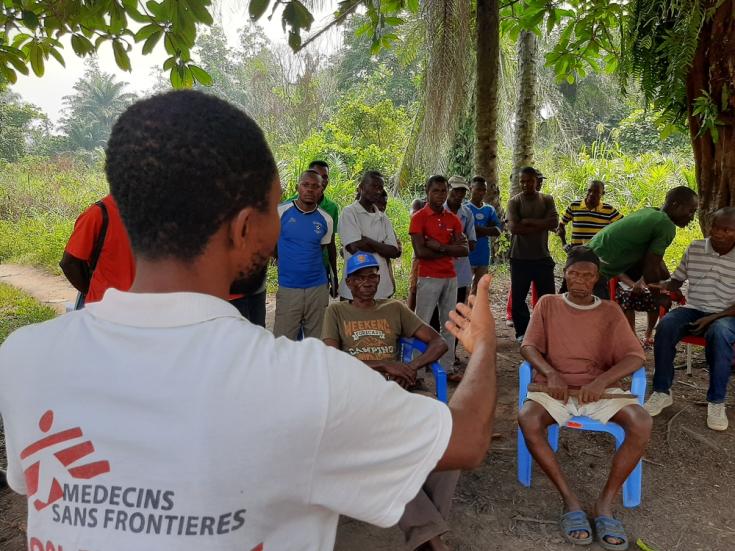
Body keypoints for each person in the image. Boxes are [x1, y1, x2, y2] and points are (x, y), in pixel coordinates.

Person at [0, 90, 499, 550]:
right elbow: (470, 439)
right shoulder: (306, 383)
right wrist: (484, 345)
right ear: (244, 227)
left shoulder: (25, 357)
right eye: (272, 206)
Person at [322, 252, 457, 550]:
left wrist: (411, 366)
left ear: (379, 279)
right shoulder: (336, 313)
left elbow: (439, 342)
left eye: (372, 276)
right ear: (348, 283)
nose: (367, 283)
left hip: (399, 389)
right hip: (357, 395)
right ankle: (432, 539)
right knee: (386, 450)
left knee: (446, 432)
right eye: (359, 278)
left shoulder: (395, 308)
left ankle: (428, 531)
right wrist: (385, 366)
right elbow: (330, 359)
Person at [518, 246, 650, 550]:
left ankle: (605, 505)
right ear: (565, 274)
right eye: (574, 273)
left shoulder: (610, 310)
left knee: (641, 422)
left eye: (587, 275)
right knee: (528, 418)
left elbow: (635, 357)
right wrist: (550, 373)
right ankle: (571, 501)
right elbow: (528, 347)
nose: (579, 280)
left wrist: (603, 379)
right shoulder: (547, 303)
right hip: (554, 389)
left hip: (599, 389)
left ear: (597, 279)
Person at [644, 207, 735, 431]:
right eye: (715, 226)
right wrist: (663, 286)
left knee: (720, 331)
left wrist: (714, 317)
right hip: (694, 309)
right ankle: (662, 391)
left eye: (727, 229)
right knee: (666, 325)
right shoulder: (695, 248)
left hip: (726, 314)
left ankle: (716, 401)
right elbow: (677, 280)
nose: (719, 233)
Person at [586, 186, 699, 298]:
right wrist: (659, 298)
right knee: (599, 313)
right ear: (675, 205)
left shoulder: (651, 212)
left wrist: (671, 286)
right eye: (691, 211)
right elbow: (651, 268)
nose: (692, 217)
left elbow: (657, 261)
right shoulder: (665, 225)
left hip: (583, 259)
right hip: (589, 270)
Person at [410, 176, 469, 372]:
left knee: (449, 324)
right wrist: (450, 248)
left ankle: (446, 368)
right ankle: (416, 372)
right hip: (428, 277)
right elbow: (421, 252)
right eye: (436, 190)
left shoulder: (452, 218)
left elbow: (464, 250)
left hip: (450, 277)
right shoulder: (419, 217)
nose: (440, 195)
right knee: (421, 324)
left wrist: (440, 247)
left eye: (443, 191)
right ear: (427, 192)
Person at [273, 170, 333, 339]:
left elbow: (320, 249)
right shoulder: (281, 212)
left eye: (315, 186)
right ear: (297, 187)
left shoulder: (326, 219)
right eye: (305, 185)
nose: (310, 190)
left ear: (321, 190)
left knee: (316, 344)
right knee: (283, 343)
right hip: (289, 288)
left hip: (317, 288)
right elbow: (271, 246)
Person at [507, 166, 559, 341]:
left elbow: (553, 223)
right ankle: (523, 332)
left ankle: (546, 330)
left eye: (529, 180)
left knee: (548, 298)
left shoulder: (547, 199)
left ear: (537, 181)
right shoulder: (514, 202)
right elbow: (514, 228)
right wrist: (541, 223)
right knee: (518, 298)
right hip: (519, 257)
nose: (525, 184)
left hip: (542, 256)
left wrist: (527, 221)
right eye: (522, 181)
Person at [59, 194, 135, 308]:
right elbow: (69, 262)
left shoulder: (98, 213)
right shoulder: (99, 214)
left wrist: (89, 291)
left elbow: (69, 262)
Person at [338, 171, 400, 300]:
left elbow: (394, 251)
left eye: (380, 188)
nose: (377, 191)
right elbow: (353, 247)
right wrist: (382, 246)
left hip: (381, 288)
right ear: (361, 187)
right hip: (354, 289)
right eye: (373, 186)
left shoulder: (383, 218)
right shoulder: (349, 213)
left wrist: (366, 241)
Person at [285, 160, 340, 297]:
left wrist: (334, 275)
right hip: (293, 275)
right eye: (317, 174)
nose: (321, 179)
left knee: (317, 315)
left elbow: (330, 244)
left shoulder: (331, 208)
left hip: (320, 272)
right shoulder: (286, 207)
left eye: (325, 176)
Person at [557, 180, 622, 251]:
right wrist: (564, 244)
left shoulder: (609, 210)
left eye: (596, 192)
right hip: (576, 252)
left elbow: (623, 225)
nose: (591, 194)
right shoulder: (574, 206)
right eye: (589, 191)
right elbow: (561, 225)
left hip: (598, 253)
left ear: (602, 193)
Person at [467, 176, 501, 295]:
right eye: (478, 189)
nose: (481, 193)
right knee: (465, 290)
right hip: (467, 255)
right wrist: (487, 229)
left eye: (484, 190)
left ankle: (474, 313)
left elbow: (497, 230)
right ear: (471, 189)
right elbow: (464, 231)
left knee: (479, 290)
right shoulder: (465, 208)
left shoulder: (489, 209)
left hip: (483, 255)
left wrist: (475, 230)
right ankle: (463, 313)